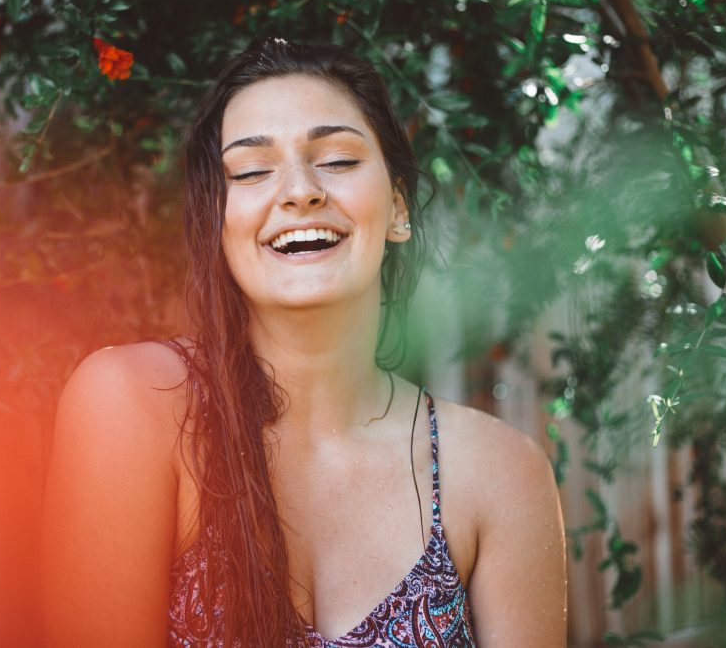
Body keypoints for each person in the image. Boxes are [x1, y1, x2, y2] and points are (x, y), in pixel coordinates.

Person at [41, 38, 566, 647]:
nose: (300, 191)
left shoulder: (497, 472)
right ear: (217, 221)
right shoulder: (132, 404)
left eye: (338, 160)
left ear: (398, 209)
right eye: (252, 170)